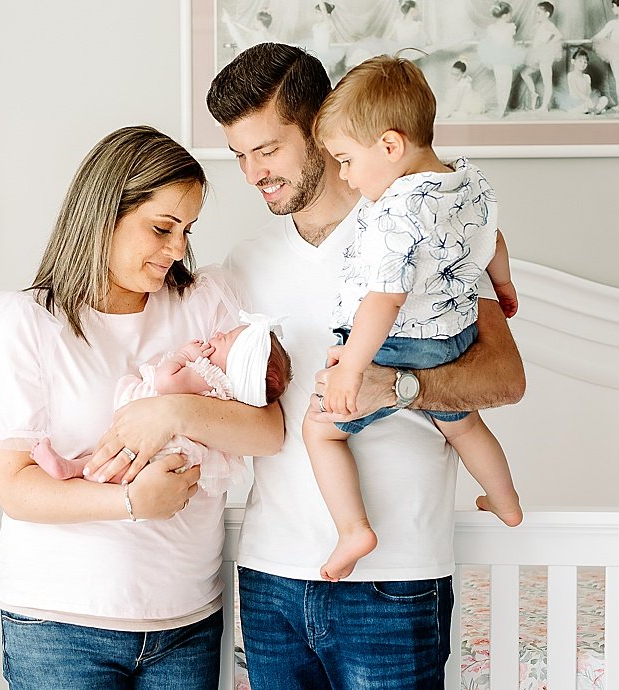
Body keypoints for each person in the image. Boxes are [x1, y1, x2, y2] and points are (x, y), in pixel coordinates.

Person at [202, 42, 525, 689]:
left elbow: (504, 379)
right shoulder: (242, 265)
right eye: (239, 155)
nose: (252, 173)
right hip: (270, 579)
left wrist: (402, 386)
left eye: (267, 149)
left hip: (395, 579)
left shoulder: (416, 227)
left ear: (320, 126)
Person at [0, 125, 284, 689]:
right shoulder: (23, 323)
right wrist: (132, 501)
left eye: (187, 231)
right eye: (162, 228)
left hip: (187, 619)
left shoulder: (205, 305)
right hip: (61, 626)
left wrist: (173, 415)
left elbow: (267, 432)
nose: (177, 249)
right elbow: (16, 489)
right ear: (102, 213)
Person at [306, 55, 523, 582]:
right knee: (465, 424)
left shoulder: (394, 213)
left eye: (346, 160)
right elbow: (493, 240)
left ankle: (353, 528)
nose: (344, 175)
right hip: (455, 336)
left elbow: (385, 302)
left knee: (320, 431)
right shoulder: (466, 183)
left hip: (400, 342)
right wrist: (504, 285)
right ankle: (506, 501)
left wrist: (353, 370)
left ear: (389, 146)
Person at [30, 314, 291, 497]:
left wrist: (183, 356)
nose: (219, 334)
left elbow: (167, 383)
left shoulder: (207, 375)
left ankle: (74, 469)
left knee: (123, 462)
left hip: (164, 440)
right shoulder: (223, 393)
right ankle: (73, 468)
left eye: (226, 340)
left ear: (235, 364)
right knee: (117, 459)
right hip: (169, 439)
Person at [477, 1, 527, 116]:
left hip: (505, 57)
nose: (511, 16)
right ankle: (501, 107)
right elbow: (502, 42)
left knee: (503, 82)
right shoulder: (505, 27)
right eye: (510, 14)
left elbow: (508, 42)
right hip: (499, 57)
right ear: (504, 15)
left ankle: (502, 107)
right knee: (503, 83)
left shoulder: (507, 27)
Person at [522, 2, 565, 111]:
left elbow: (559, 35)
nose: (536, 15)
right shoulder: (539, 25)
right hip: (538, 55)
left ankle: (544, 106)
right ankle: (534, 93)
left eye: (538, 13)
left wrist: (547, 45)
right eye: (536, 13)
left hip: (546, 55)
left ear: (546, 14)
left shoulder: (548, 25)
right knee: (525, 73)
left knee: (547, 80)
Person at [564, 48, 611, 114]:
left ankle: (594, 110)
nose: (583, 64)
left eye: (585, 62)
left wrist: (590, 100)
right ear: (573, 61)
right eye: (580, 61)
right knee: (584, 106)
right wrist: (587, 100)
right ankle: (592, 110)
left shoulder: (587, 77)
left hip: (586, 100)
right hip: (575, 101)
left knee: (604, 99)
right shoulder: (571, 75)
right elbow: (576, 91)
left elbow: (589, 91)